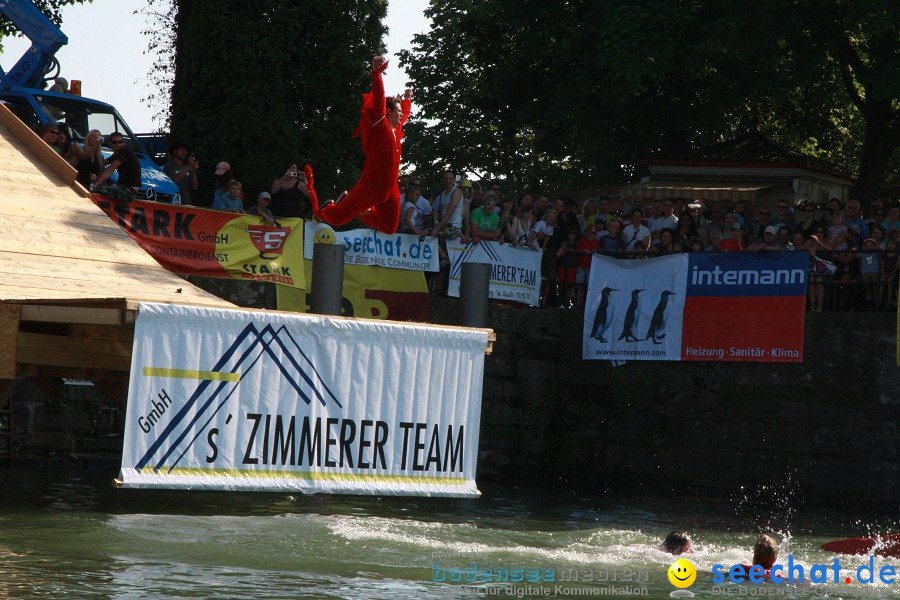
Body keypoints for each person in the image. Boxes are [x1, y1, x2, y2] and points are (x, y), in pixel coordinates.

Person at [315, 54, 412, 234]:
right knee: (337, 218)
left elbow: (404, 116)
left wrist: (406, 101)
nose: (401, 115)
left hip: (390, 189)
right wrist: (376, 73)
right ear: (388, 111)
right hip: (372, 186)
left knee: (389, 227)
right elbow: (379, 99)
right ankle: (324, 210)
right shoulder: (380, 124)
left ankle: (361, 212)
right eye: (397, 111)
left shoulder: (396, 131)